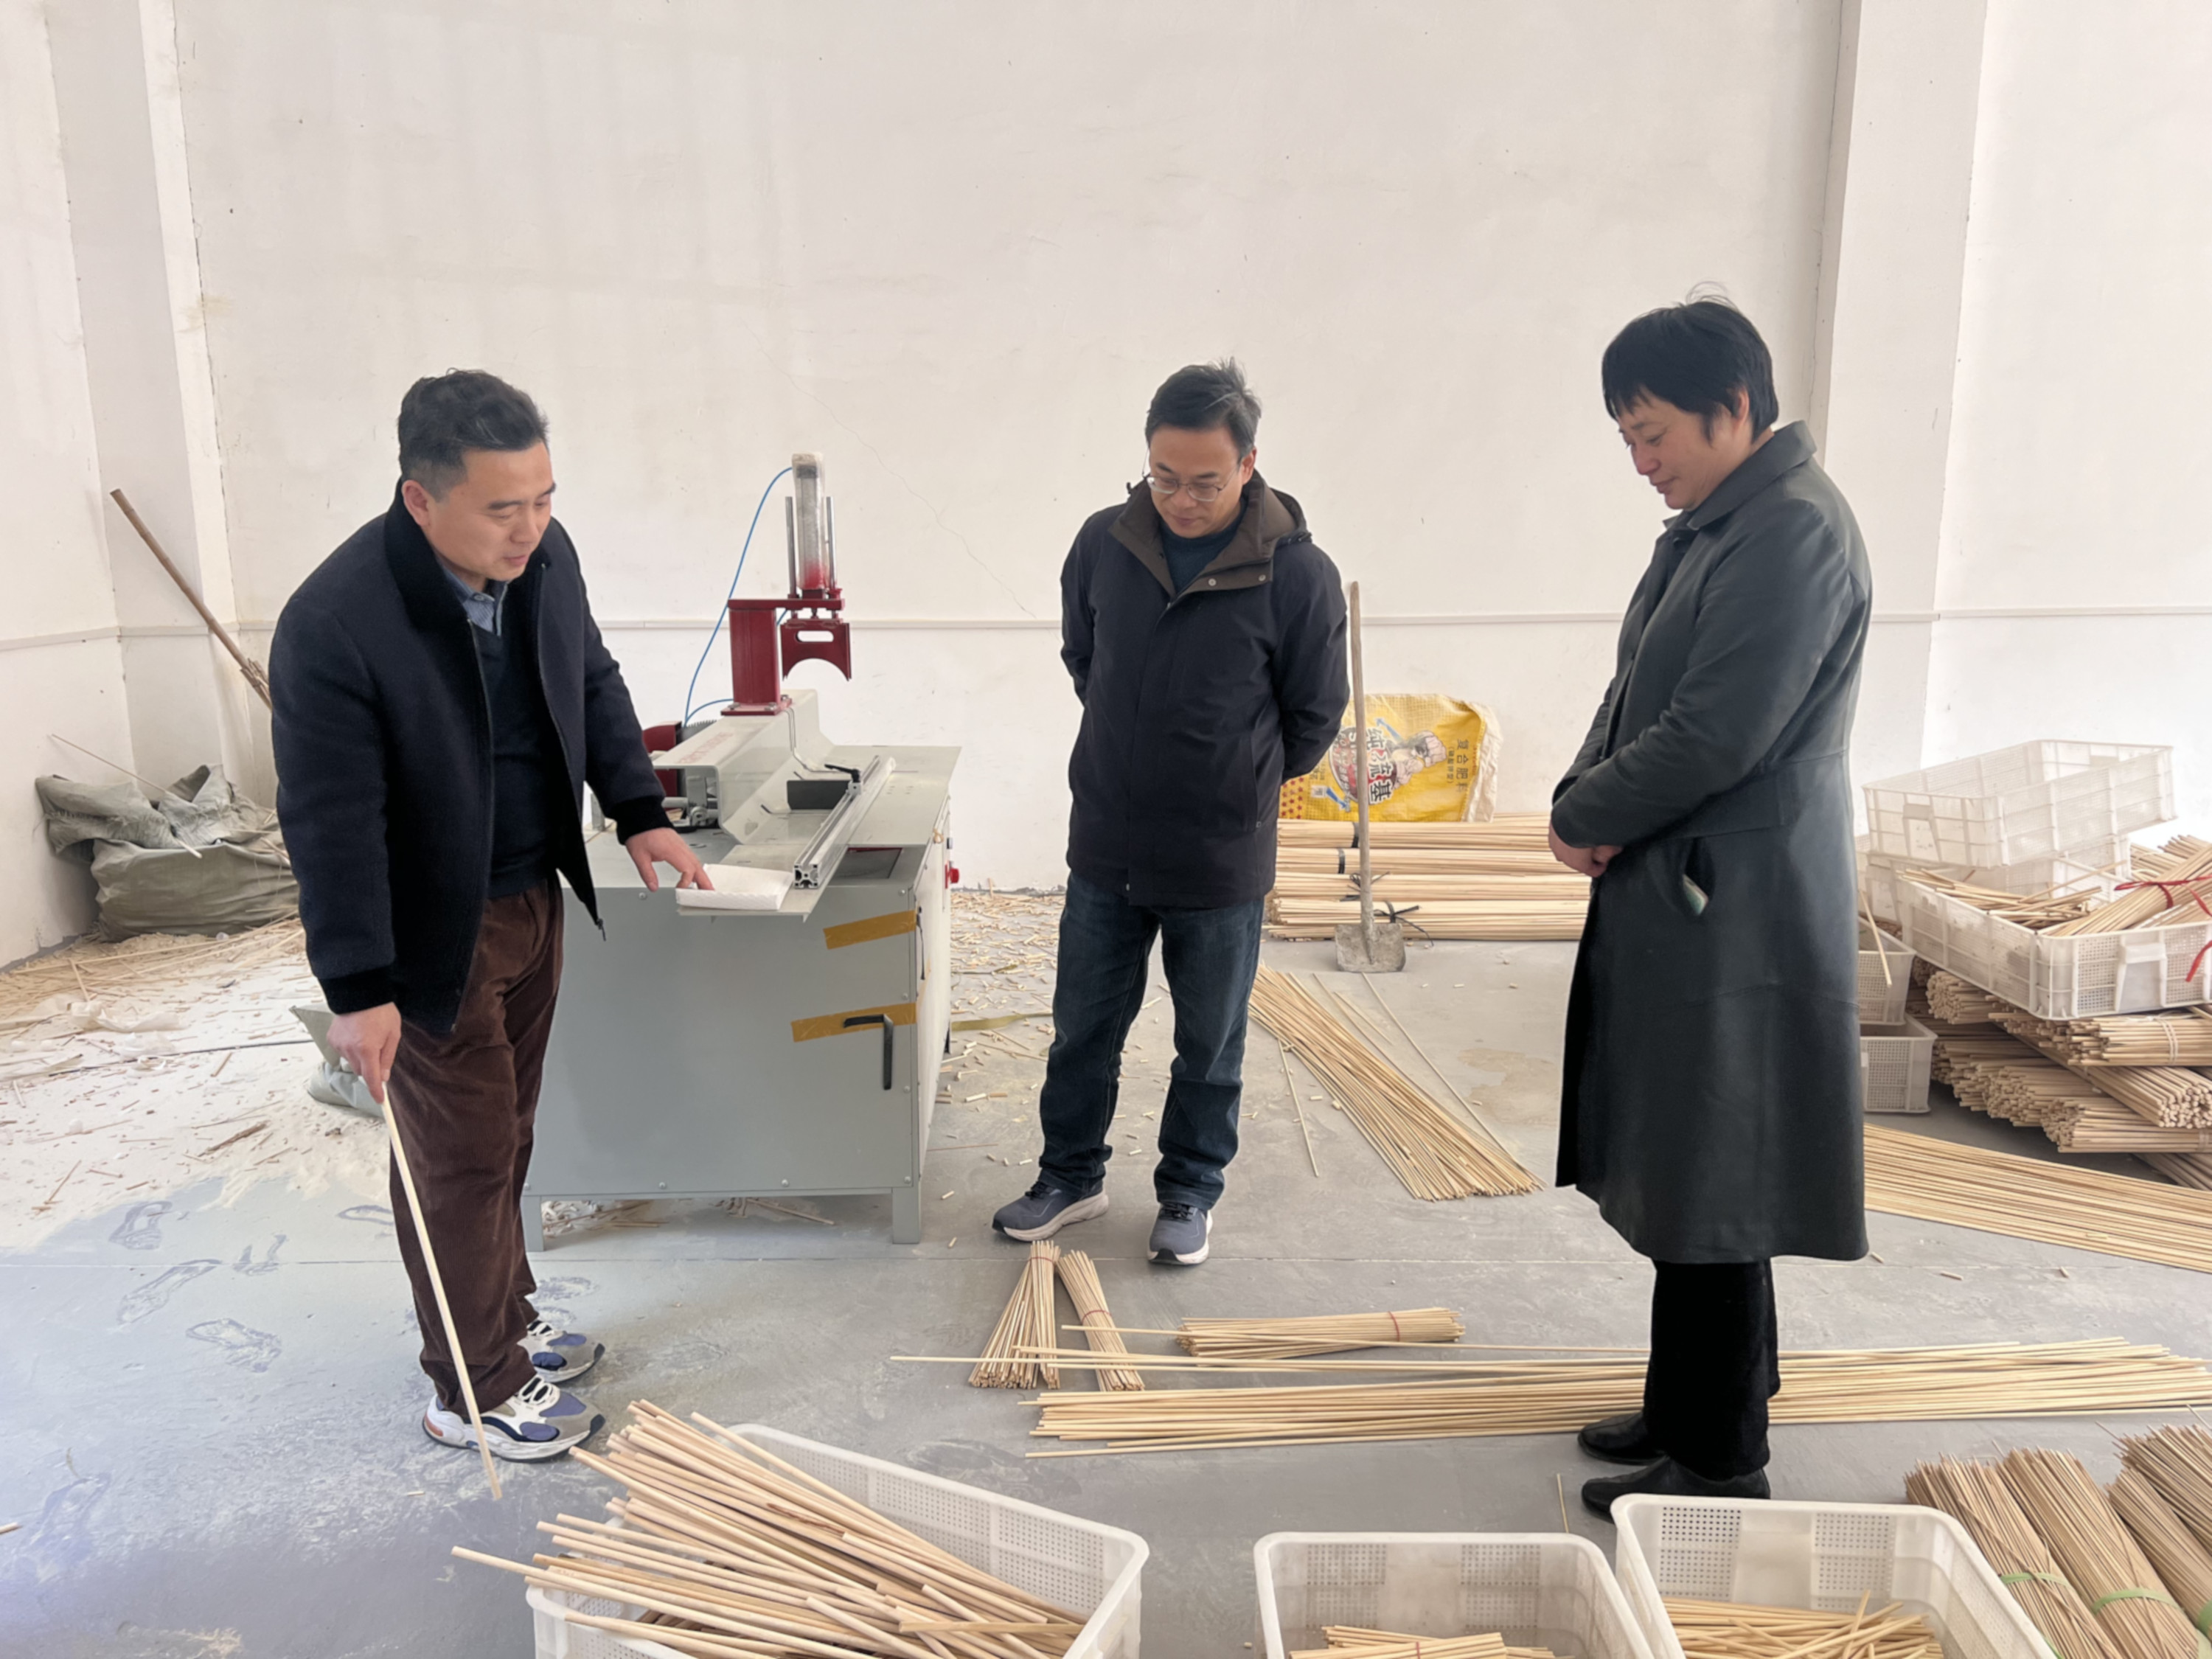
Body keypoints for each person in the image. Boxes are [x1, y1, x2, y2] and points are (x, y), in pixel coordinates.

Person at [271, 371, 710, 1461]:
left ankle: (502, 1317)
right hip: (429, 929)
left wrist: (639, 811)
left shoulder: (544, 562)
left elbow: (591, 678)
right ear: (420, 500)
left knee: (505, 1132)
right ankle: (472, 1383)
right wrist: (358, 988)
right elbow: (329, 820)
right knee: (458, 1158)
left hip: (530, 890)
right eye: (503, 507)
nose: (531, 528)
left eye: (546, 498)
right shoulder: (336, 622)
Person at [1549, 301, 1871, 1512]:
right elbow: (1635, 688)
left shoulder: (1794, 533)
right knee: (1688, 1155)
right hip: (1686, 880)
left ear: (1733, 409)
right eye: (1628, 438)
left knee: (1717, 1166)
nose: (1642, 460)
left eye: (1654, 432)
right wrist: (1582, 794)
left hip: (1740, 894)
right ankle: (1687, 1399)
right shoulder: (1715, 526)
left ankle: (1722, 1459)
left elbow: (1716, 732)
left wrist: (1588, 815)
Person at [992, 361, 1349, 1265]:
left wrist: (1234, 779)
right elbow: (1085, 658)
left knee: (1210, 1042)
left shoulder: (1298, 575)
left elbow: (1313, 716)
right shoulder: (1103, 543)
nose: (1183, 500)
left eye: (1205, 482)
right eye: (1164, 477)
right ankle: (1069, 1177)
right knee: (1083, 1030)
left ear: (1249, 465)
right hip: (1107, 842)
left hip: (1219, 856)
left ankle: (1190, 1189)